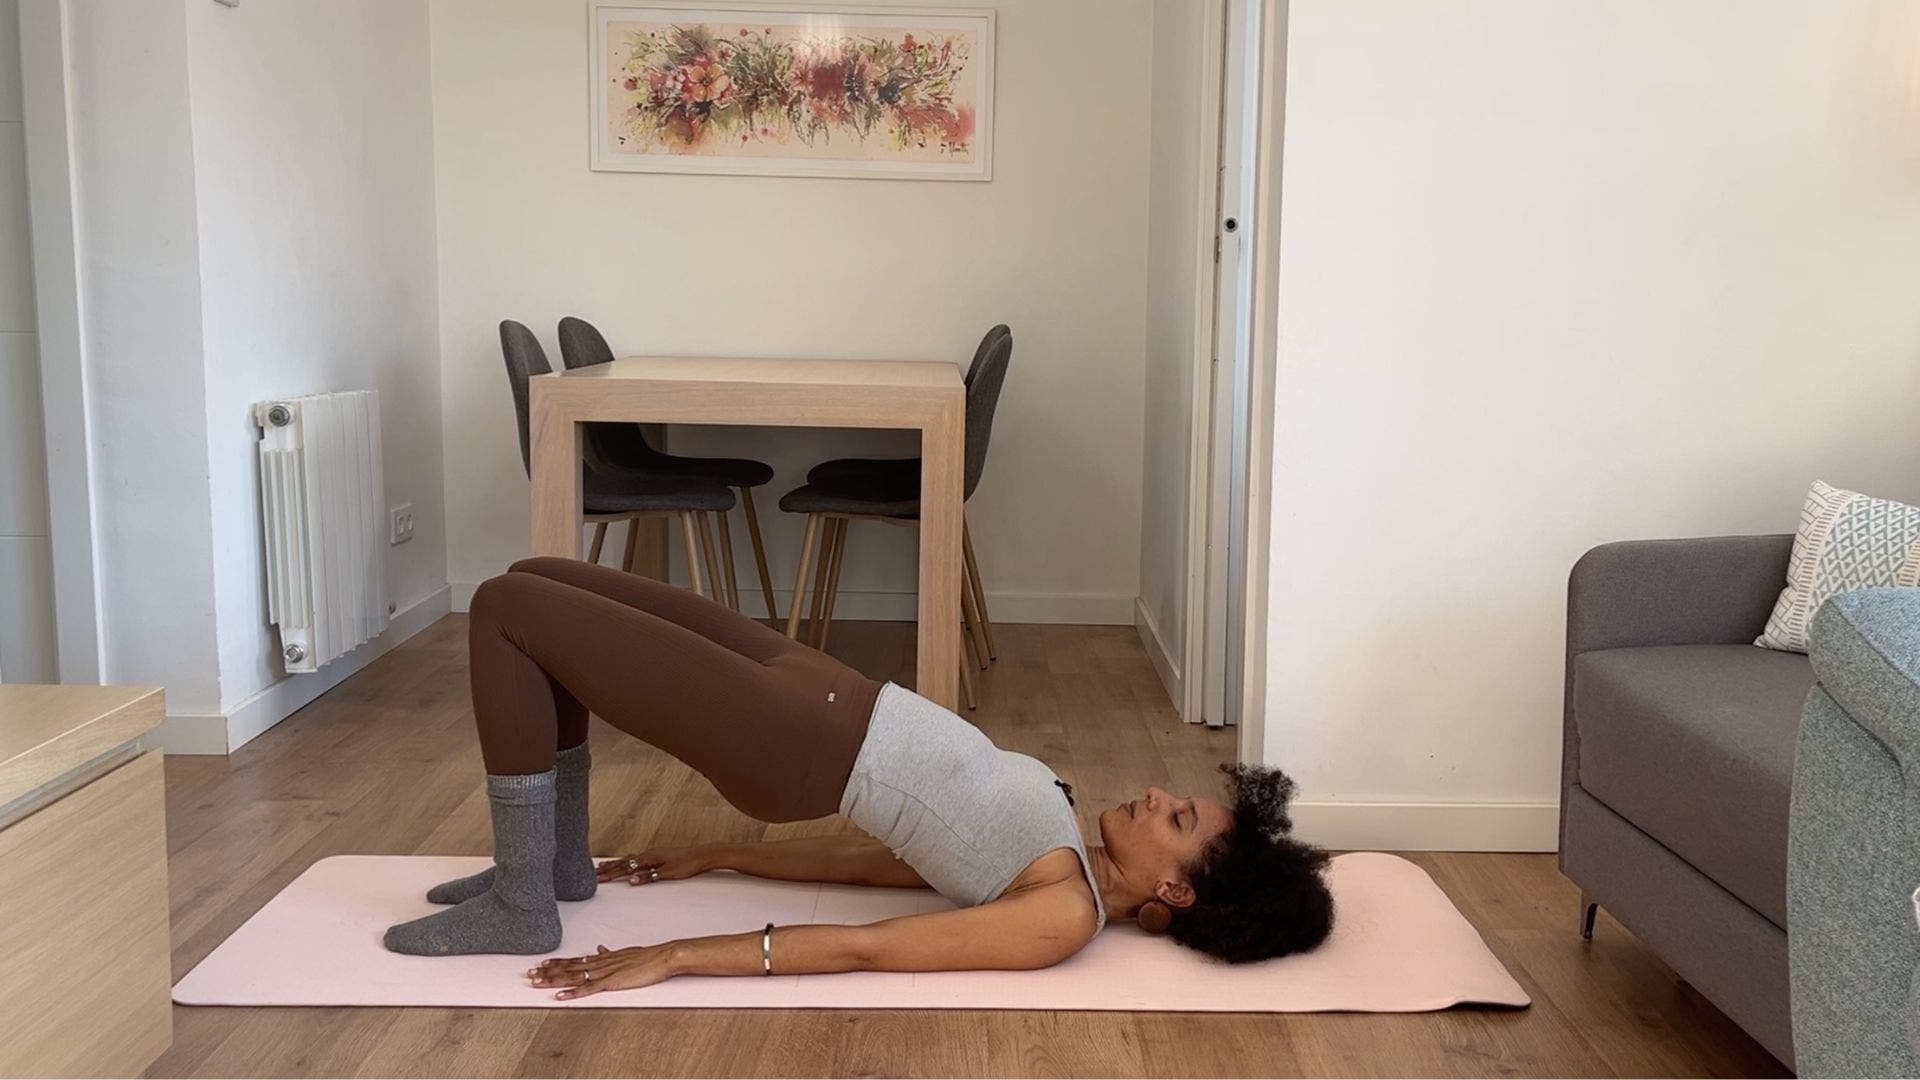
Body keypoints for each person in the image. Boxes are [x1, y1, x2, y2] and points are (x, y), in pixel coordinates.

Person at [383, 558, 1333, 997]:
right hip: (823, 691)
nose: (1163, 796)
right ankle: (554, 866)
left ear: (1174, 885)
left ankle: (522, 904)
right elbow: (888, 869)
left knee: (506, 610)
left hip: (791, 739)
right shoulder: (1064, 854)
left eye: (1180, 821)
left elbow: (872, 949)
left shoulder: (1064, 915)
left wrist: (676, 957)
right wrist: (719, 855)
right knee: (543, 575)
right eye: (1181, 797)